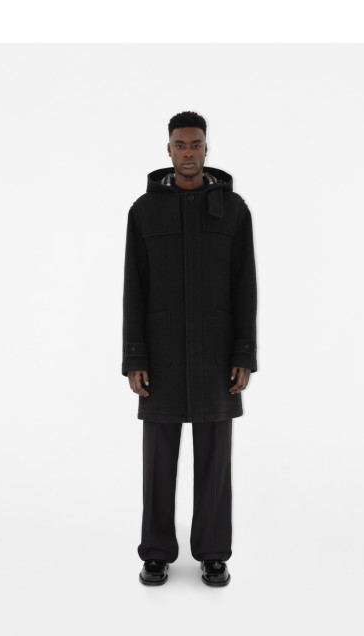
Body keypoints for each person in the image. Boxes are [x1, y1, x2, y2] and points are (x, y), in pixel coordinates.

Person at [121, 111, 258, 587]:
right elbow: (134, 287)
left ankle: (213, 553)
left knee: (215, 460)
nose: (188, 152)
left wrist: (244, 353)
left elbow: (245, 285)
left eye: (195, 144)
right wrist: (135, 357)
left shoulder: (234, 209)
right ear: (168, 150)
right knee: (158, 460)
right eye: (180, 145)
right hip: (161, 357)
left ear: (206, 148)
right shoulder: (144, 210)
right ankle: (156, 552)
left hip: (216, 356)